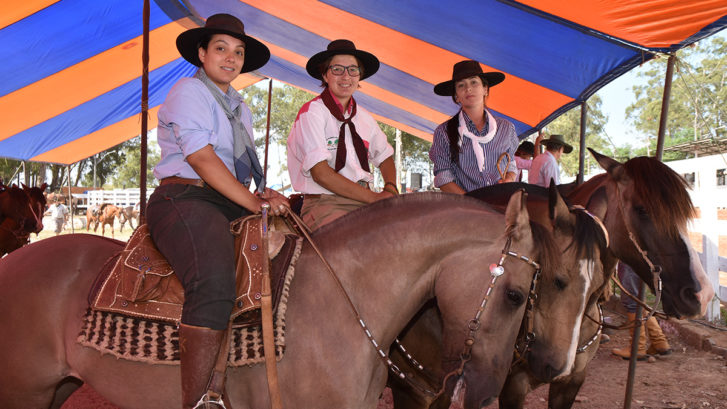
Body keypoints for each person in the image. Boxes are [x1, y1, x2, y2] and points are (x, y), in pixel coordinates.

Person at [145, 13, 288, 409]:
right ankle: (200, 400)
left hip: (226, 197)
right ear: (202, 53)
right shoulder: (189, 92)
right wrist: (255, 203)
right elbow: (203, 159)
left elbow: (232, 166)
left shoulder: (239, 106)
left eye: (238, 52)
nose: (231, 58)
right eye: (221, 49)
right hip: (185, 198)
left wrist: (261, 192)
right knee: (213, 281)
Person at [287, 39, 397, 230]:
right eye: (337, 69)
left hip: (366, 199)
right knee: (353, 242)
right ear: (325, 74)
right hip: (327, 203)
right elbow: (321, 174)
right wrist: (375, 198)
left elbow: (385, 156)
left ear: (359, 76)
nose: (346, 76)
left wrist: (390, 188)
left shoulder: (364, 117)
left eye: (353, 70)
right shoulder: (312, 112)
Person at [429, 60, 519, 194]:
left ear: (485, 89)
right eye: (461, 85)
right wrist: (471, 203)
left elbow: (510, 163)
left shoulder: (506, 128)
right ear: (457, 96)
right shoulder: (443, 132)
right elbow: (443, 176)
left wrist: (509, 178)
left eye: (473, 82)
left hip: (502, 203)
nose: (468, 89)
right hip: (465, 209)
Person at [611, 262, 672, 360]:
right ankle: (659, 342)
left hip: (631, 253)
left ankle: (637, 348)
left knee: (631, 299)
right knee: (638, 299)